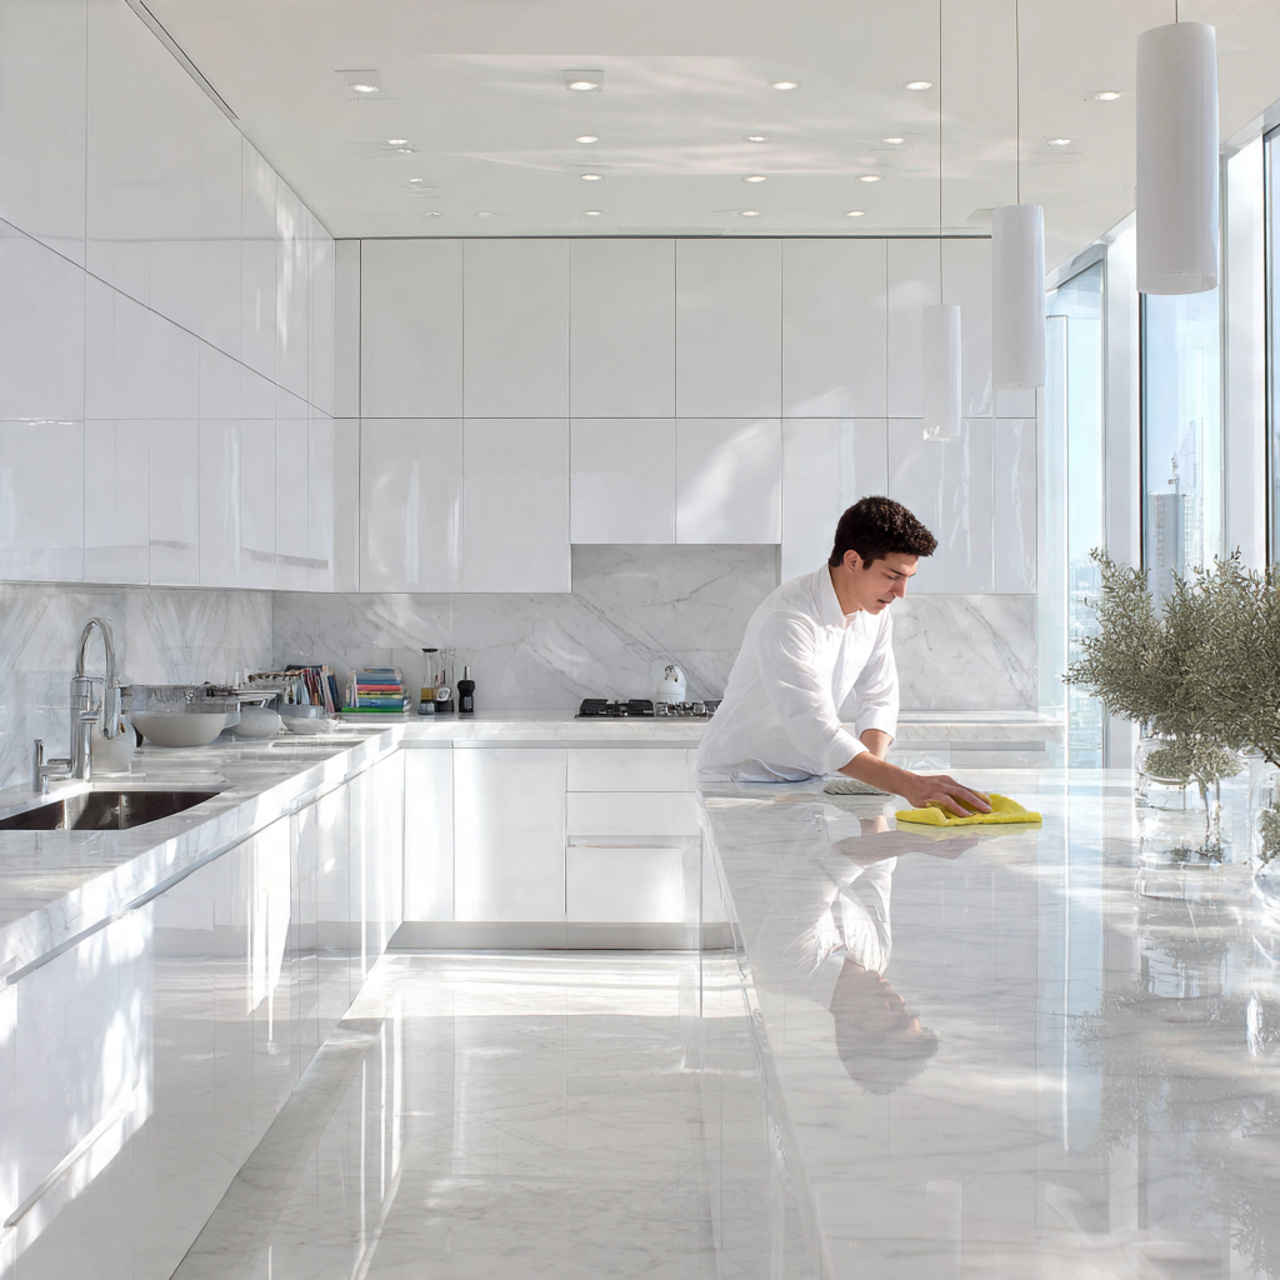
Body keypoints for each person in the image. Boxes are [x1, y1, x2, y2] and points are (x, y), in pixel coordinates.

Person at [696, 495, 990, 816]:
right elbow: (812, 726)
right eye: (892, 576)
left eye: (908, 578)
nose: (901, 592)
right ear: (852, 561)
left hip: (808, 779)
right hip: (740, 784)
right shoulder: (788, 618)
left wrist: (873, 781)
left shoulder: (875, 614)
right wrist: (907, 783)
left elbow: (878, 698)